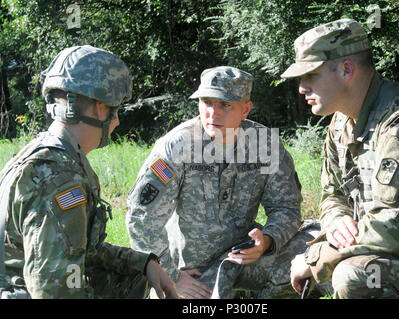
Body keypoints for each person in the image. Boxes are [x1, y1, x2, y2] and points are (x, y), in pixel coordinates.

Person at [284, 19, 399, 298]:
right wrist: (338, 221)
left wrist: (316, 259)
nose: (301, 87)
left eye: (310, 75)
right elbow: (331, 194)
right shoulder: (340, 123)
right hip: (397, 249)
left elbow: (390, 229)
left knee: (356, 277)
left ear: (347, 70)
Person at [126, 66, 321, 299]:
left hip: (241, 257)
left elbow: (286, 208)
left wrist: (267, 240)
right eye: (207, 102)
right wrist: (171, 276)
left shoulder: (265, 145)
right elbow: (142, 217)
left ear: (245, 109)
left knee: (313, 247)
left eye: (225, 105)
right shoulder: (177, 147)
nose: (213, 113)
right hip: (191, 273)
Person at [0, 45, 177, 299]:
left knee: (132, 275)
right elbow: (54, 292)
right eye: (116, 109)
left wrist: (143, 263)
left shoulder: (52, 154)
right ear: (98, 107)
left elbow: (78, 248)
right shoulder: (60, 178)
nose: (117, 120)